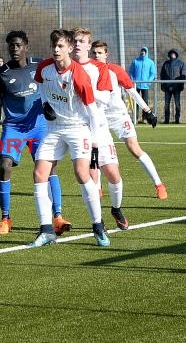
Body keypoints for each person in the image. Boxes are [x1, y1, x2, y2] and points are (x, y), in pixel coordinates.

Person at [0, 31, 68, 236]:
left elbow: (55, 86)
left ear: (26, 45)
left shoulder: (41, 66)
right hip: (14, 128)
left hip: (39, 127)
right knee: (4, 165)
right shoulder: (1, 73)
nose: (15, 49)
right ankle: (5, 218)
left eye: (18, 45)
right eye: (11, 46)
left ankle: (58, 216)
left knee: (49, 168)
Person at [31, 29, 109, 247]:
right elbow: (39, 86)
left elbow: (93, 112)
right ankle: (46, 230)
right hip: (54, 128)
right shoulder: (44, 68)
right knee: (39, 173)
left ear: (70, 48)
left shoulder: (79, 76)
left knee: (82, 173)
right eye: (54, 46)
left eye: (61, 46)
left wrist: (94, 143)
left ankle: (98, 225)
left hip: (78, 128)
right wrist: (45, 104)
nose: (56, 50)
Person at [90, 40, 168, 200]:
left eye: (100, 53)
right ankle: (97, 188)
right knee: (95, 151)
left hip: (118, 116)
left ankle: (159, 184)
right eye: (94, 53)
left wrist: (147, 110)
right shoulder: (87, 71)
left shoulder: (115, 70)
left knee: (134, 148)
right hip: (98, 117)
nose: (97, 56)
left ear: (106, 54)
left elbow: (131, 91)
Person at [72, 27, 127, 232]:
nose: (77, 44)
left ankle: (116, 209)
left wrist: (84, 93)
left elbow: (104, 98)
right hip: (79, 130)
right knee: (92, 176)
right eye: (75, 41)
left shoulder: (99, 69)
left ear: (88, 45)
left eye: (82, 41)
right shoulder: (65, 68)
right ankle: (98, 221)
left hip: (100, 128)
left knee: (113, 175)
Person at [128, 46, 156, 123]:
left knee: (144, 102)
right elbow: (131, 72)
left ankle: (145, 118)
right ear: (140, 52)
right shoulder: (135, 61)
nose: (143, 52)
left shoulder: (150, 62)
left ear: (146, 52)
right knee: (136, 101)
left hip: (145, 85)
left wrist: (148, 81)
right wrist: (133, 81)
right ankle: (135, 118)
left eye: (144, 51)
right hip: (136, 85)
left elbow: (153, 73)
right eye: (142, 51)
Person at [160, 48, 185, 124]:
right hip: (167, 88)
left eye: (174, 53)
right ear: (169, 55)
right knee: (166, 104)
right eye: (171, 53)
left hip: (177, 87)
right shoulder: (166, 64)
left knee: (177, 104)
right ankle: (166, 120)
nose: (172, 54)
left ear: (176, 54)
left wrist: (182, 83)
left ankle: (177, 120)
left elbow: (183, 73)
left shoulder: (181, 63)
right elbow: (162, 75)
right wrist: (163, 85)